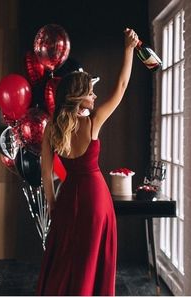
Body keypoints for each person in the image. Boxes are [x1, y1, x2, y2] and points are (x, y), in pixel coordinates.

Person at [36, 28, 139, 296]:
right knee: (91, 261)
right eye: (90, 93)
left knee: (66, 260)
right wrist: (128, 50)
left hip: (68, 197)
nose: (94, 97)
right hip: (96, 198)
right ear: (77, 96)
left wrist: (53, 204)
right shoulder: (92, 123)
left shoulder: (51, 128)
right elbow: (122, 86)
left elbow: (46, 174)